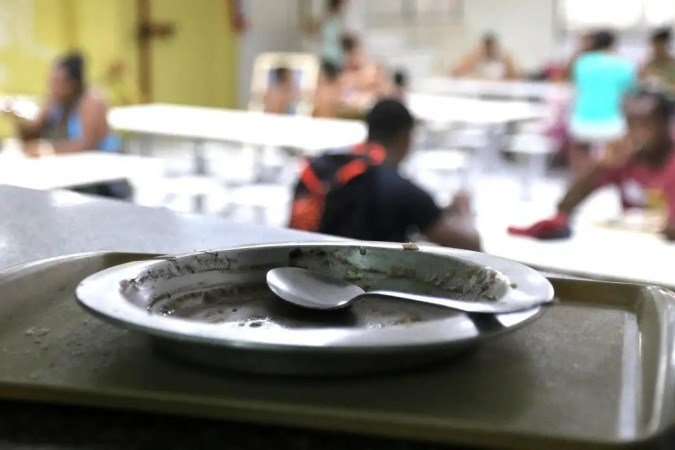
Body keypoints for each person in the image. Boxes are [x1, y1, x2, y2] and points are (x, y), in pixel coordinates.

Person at [289, 99, 481, 251]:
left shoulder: (321, 166)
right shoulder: (398, 186)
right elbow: (469, 244)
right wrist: (464, 209)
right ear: (406, 136)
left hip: (306, 272)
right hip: (364, 282)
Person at [509, 91, 675, 241]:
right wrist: (601, 166)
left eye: (645, 125)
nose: (637, 133)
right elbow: (565, 206)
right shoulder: (626, 159)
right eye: (631, 124)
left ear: (665, 124)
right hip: (634, 246)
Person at [10, 52, 119, 155]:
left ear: (73, 84)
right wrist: (17, 120)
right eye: (51, 81)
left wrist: (48, 150)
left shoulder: (92, 100)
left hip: (105, 161)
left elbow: (88, 145)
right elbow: (32, 137)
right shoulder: (55, 100)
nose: (52, 87)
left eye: (57, 81)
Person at [568, 30, 637, 174]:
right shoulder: (623, 64)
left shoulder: (582, 62)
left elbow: (576, 84)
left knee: (582, 161)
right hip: (612, 123)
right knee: (612, 164)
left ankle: (582, 180)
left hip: (581, 120)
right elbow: (631, 92)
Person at [451, 33, 519, 80]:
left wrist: (508, 65)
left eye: (490, 49)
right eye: (486, 49)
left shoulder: (504, 59)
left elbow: (517, 76)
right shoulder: (474, 58)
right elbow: (455, 72)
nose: (488, 51)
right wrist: (471, 60)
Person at [642, 28, 675, 96]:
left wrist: (663, 86)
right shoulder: (648, 65)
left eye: (658, 46)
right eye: (654, 47)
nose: (655, 50)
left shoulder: (672, 65)